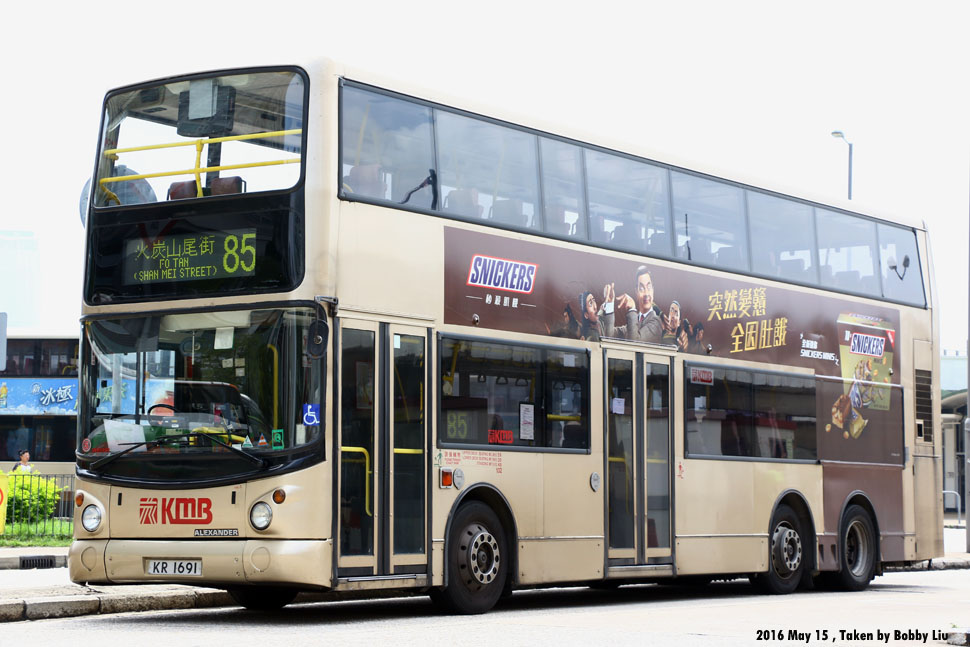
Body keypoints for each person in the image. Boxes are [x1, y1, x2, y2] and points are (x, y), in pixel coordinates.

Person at [606, 265, 663, 343]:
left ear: (653, 290)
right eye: (641, 288)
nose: (646, 293)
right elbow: (609, 336)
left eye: (649, 287)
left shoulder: (656, 323)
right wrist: (610, 303)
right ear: (636, 292)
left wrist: (632, 309)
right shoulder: (635, 320)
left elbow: (634, 344)